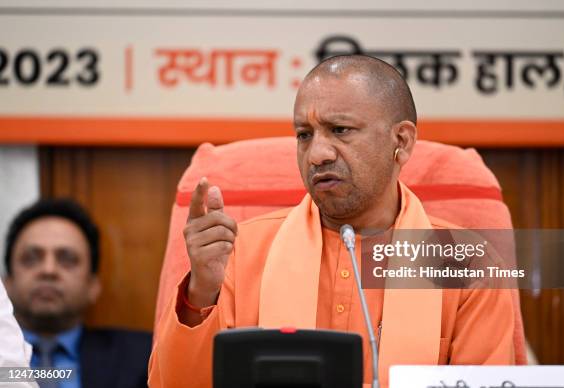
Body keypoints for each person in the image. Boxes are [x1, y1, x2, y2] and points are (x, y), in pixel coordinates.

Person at [149, 55, 515, 388]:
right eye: (304, 136)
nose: (317, 155)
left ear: (401, 141)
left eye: (340, 130)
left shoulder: (470, 266)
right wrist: (203, 292)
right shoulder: (240, 252)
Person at [3, 199, 151, 388]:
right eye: (31, 259)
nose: (48, 270)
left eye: (68, 260)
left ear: (93, 286)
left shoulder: (144, 358)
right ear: (7, 283)